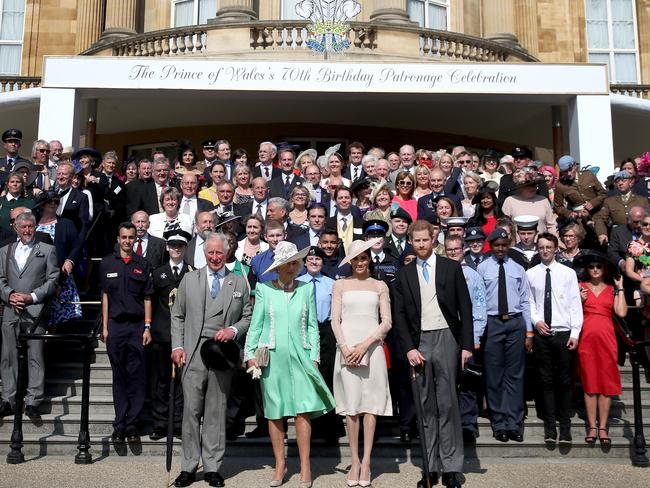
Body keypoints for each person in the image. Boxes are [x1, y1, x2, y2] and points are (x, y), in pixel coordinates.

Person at [245, 241, 335, 488]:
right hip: (272, 358)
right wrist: (250, 353)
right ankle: (280, 464)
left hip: (302, 356)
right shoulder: (263, 289)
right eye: (289, 263)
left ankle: (306, 465)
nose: (294, 267)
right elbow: (256, 324)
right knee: (275, 413)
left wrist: (314, 356)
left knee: (303, 410)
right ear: (279, 267)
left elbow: (312, 327)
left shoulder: (306, 289)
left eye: (296, 262)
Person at [393, 220, 473, 488]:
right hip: (419, 342)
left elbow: (465, 306)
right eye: (416, 241)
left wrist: (466, 345)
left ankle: (451, 466)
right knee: (425, 406)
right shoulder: (403, 274)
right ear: (411, 243)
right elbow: (400, 315)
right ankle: (430, 467)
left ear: (433, 239)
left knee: (448, 403)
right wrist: (409, 348)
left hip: (447, 338)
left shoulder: (451, 267)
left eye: (425, 240)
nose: (421, 245)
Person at [171, 232, 252, 488]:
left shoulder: (238, 282)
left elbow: (249, 316)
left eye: (219, 252)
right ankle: (188, 466)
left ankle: (213, 467)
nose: (215, 257)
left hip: (222, 355)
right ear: (204, 253)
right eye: (210, 253)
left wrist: (233, 330)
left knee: (216, 412)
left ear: (227, 253)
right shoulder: (189, 279)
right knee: (191, 412)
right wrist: (178, 346)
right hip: (193, 353)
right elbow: (177, 316)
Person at [331, 239, 392, 487]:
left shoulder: (380, 285)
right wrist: (346, 349)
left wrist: (365, 345)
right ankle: (354, 460)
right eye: (355, 258)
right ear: (350, 261)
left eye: (363, 258)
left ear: (369, 259)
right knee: (351, 406)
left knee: (370, 405)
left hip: (372, 349)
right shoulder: (340, 285)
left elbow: (386, 322)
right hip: (346, 349)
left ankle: (367, 461)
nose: (359, 262)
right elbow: (335, 320)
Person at [0, 212, 59, 420]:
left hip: (34, 311)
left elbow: (53, 280)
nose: (27, 230)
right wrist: (10, 295)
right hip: (10, 310)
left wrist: (31, 297)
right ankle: (9, 398)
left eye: (30, 227)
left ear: (36, 228)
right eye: (23, 227)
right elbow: (0, 278)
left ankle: (34, 400)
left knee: (36, 356)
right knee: (8, 357)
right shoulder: (5, 251)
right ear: (16, 227)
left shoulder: (47, 250)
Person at [526, 233, 583, 444]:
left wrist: (575, 333)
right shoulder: (531, 274)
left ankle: (565, 426)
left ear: (555, 248)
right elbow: (529, 302)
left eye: (549, 247)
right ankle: (550, 426)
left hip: (563, 332)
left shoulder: (567, 273)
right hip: (543, 333)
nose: (545, 251)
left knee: (565, 381)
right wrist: (536, 320)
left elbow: (575, 304)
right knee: (546, 380)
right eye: (541, 247)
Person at [477, 227, 532, 443]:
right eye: (496, 245)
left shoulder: (518, 269)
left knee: (515, 374)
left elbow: (525, 301)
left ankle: (514, 423)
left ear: (508, 246)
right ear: (491, 246)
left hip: (515, 322)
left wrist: (528, 331)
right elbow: (480, 302)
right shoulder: (482, 268)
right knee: (494, 374)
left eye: (504, 245)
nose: (500, 249)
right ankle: (499, 422)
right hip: (493, 324)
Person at [99, 222, 153, 441]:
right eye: (124, 237)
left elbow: (147, 297)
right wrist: (104, 326)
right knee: (119, 376)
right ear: (118, 239)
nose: (128, 241)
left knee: (137, 376)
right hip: (116, 325)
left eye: (131, 237)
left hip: (137, 326)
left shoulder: (143, 264)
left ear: (135, 240)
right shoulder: (106, 263)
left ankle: (133, 424)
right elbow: (105, 297)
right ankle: (120, 422)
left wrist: (148, 326)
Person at [577, 251, 627, 445]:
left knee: (605, 384)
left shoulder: (611, 289)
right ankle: (591, 426)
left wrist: (620, 288)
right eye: (591, 267)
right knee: (590, 384)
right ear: (587, 269)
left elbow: (621, 312)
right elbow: (572, 312)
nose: (595, 269)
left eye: (599, 266)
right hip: (587, 337)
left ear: (604, 269)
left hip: (607, 338)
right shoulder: (580, 287)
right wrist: (579, 299)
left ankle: (603, 427)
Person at [149, 229, 193, 441]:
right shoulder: (158, 273)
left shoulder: (193, 273)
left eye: (180, 246)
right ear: (167, 247)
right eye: (173, 245)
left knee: (182, 383)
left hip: (184, 336)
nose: (176, 249)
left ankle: (177, 424)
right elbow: (150, 302)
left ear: (185, 248)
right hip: (161, 334)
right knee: (160, 381)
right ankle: (159, 423)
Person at [297, 246, 342, 444]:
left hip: (326, 331)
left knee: (327, 376)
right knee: (308, 378)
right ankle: (311, 426)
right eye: (311, 259)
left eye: (318, 259)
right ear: (305, 263)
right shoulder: (298, 283)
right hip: (304, 331)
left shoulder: (332, 284)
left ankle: (329, 425)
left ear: (323, 262)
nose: (314, 262)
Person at [444, 234, 487, 442]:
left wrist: (475, 337)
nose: (453, 252)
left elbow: (479, 308)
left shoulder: (473, 275)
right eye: (449, 249)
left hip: (467, 333)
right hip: (445, 333)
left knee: (467, 380)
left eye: (456, 249)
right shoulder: (441, 273)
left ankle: (468, 424)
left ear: (464, 250)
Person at [34, 191, 83, 327]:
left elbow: (77, 246)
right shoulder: (33, 224)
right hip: (37, 275)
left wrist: (70, 260)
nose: (54, 204)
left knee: (58, 314)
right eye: (50, 201)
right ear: (43, 204)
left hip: (59, 274)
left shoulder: (66, 223)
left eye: (56, 201)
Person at [595, 170, 649, 245]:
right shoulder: (609, 201)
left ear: (630, 182)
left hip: (640, 237)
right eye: (617, 181)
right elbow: (600, 218)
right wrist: (602, 233)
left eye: (623, 180)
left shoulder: (642, 200)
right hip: (619, 238)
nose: (620, 183)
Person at [501, 168, 557, 236]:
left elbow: (551, 226)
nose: (533, 188)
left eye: (535, 185)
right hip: (517, 245)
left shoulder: (543, 200)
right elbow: (505, 226)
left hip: (541, 244)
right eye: (529, 185)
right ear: (520, 187)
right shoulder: (509, 201)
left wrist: (555, 242)